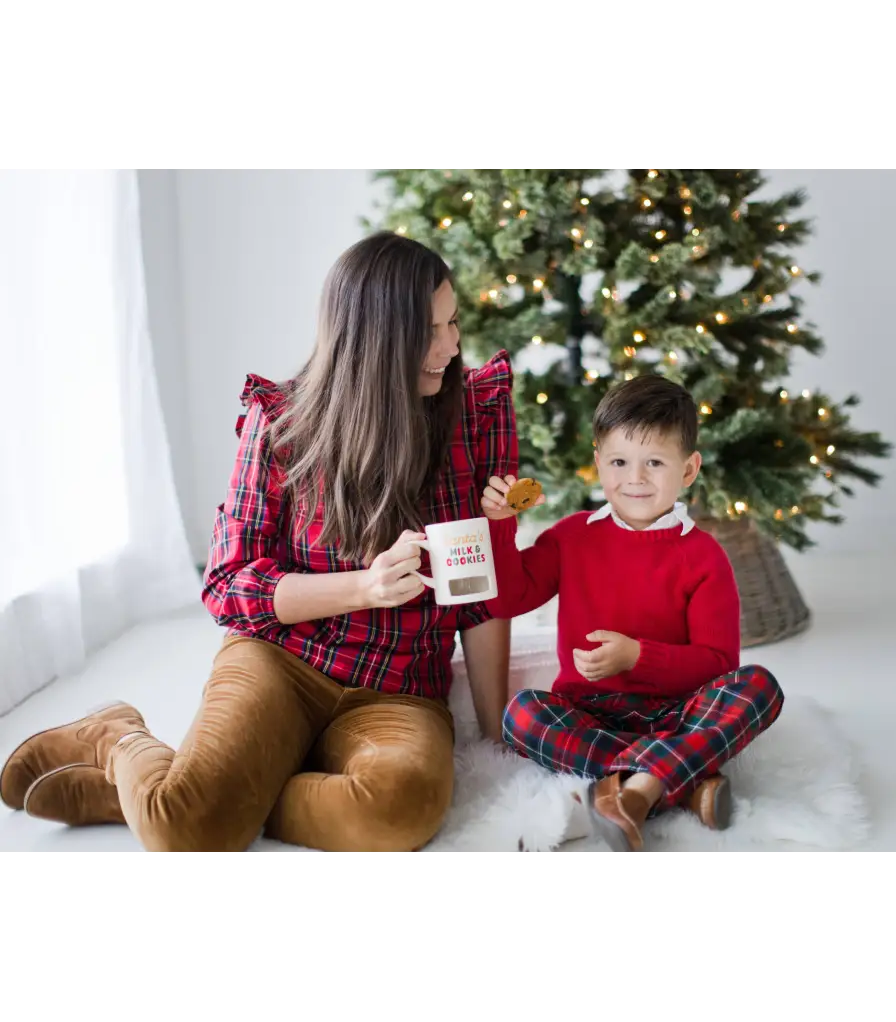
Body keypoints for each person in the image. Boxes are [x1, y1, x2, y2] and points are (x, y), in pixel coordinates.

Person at [0, 232, 520, 854]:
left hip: (401, 684)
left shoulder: (477, 414)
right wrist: (365, 587)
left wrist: (494, 743)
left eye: (453, 321)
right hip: (282, 661)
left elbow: (481, 596)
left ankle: (213, 790)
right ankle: (118, 740)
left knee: (398, 811)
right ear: (377, 342)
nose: (453, 345)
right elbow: (227, 585)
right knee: (181, 830)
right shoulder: (283, 423)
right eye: (431, 331)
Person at [480, 373, 784, 853]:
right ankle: (679, 786)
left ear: (688, 470)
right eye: (620, 461)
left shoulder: (704, 556)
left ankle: (630, 787)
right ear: (598, 462)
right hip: (590, 712)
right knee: (521, 715)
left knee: (758, 686)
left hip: (679, 713)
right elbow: (506, 601)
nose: (635, 478)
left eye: (655, 462)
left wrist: (637, 656)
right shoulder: (572, 536)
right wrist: (501, 528)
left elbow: (717, 663)